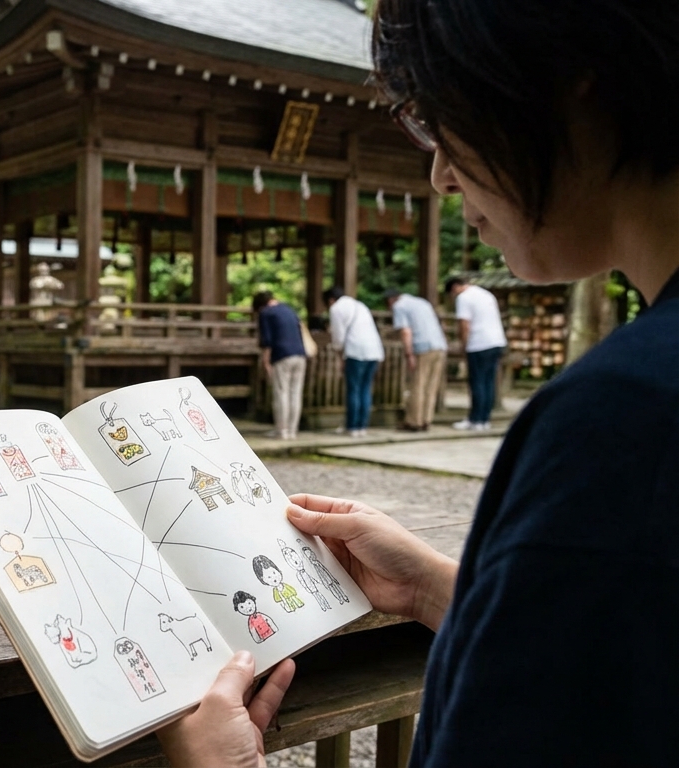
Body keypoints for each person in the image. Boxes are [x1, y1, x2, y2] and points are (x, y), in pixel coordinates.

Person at [156, 0, 679, 766]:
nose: (437, 174)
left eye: (436, 118)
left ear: (571, 76)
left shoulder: (627, 416)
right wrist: (442, 589)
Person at [445, 277, 507, 430]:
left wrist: (463, 345)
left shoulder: (464, 298)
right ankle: (485, 419)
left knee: (477, 382)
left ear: (455, 288)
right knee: (488, 381)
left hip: (479, 343)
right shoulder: (486, 294)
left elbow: (464, 324)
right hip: (496, 341)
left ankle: (475, 419)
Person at [323, 286, 383, 437]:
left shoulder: (336, 308)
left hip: (355, 350)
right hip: (374, 350)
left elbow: (338, 337)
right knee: (365, 389)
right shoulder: (360, 305)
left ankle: (352, 426)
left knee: (354, 389)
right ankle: (362, 426)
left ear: (330, 299)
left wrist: (339, 355)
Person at [384, 288, 448, 431]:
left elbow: (406, 331)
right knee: (431, 386)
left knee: (417, 385)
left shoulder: (399, 306)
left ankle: (414, 421)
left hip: (422, 347)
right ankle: (426, 419)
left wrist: (408, 354)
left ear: (390, 300)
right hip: (439, 346)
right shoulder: (422, 302)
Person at [253, 291, 306, 440]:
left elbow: (267, 341)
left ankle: (281, 430)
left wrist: (265, 361)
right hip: (300, 354)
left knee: (281, 393)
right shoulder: (289, 310)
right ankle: (292, 430)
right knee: (295, 393)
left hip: (282, 355)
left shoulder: (266, 313)